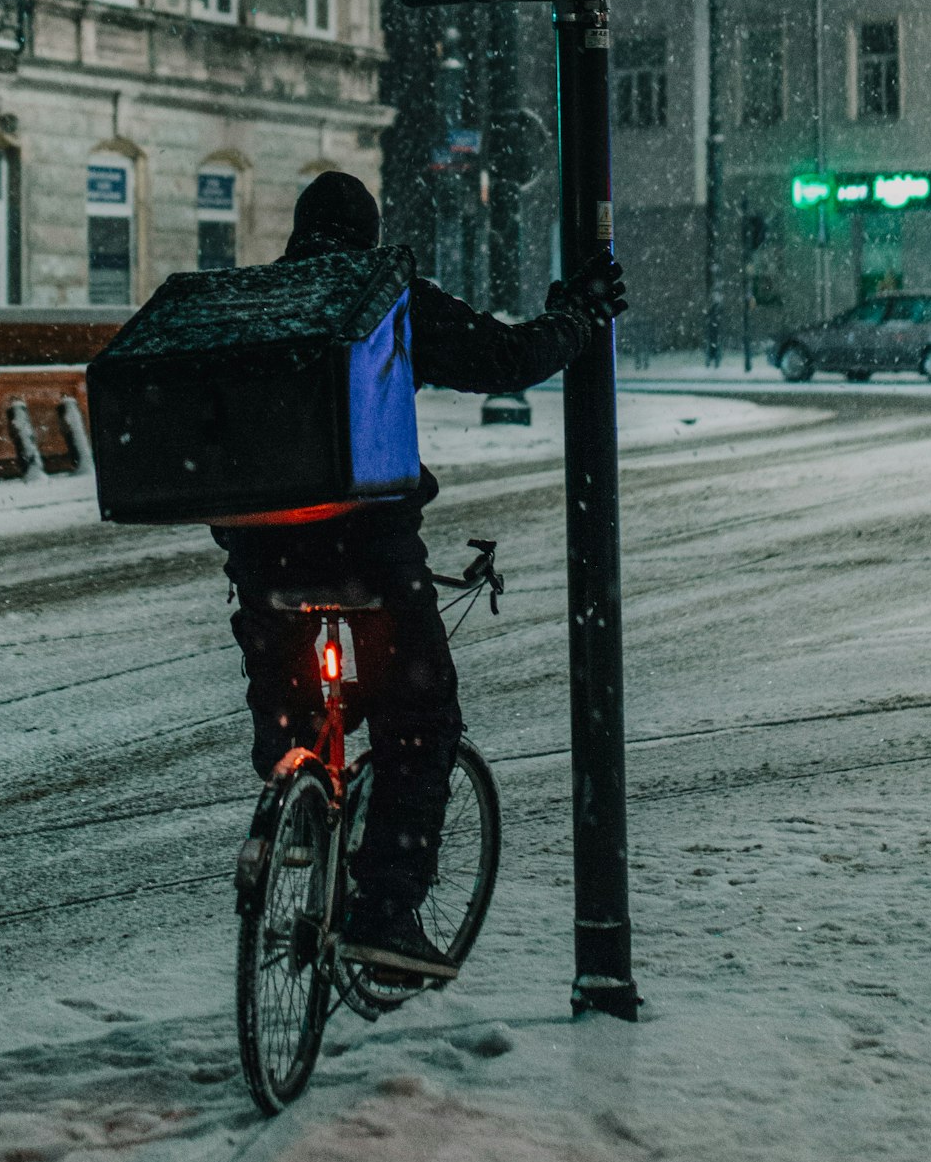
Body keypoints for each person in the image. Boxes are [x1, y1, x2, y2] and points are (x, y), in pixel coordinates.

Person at [212, 169, 627, 981]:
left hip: (264, 561)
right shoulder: (386, 295)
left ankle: (291, 777)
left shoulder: (253, 303)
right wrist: (575, 319)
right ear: (367, 233)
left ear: (298, 233)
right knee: (421, 716)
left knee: (287, 669)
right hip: (369, 558)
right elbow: (504, 358)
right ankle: (387, 913)